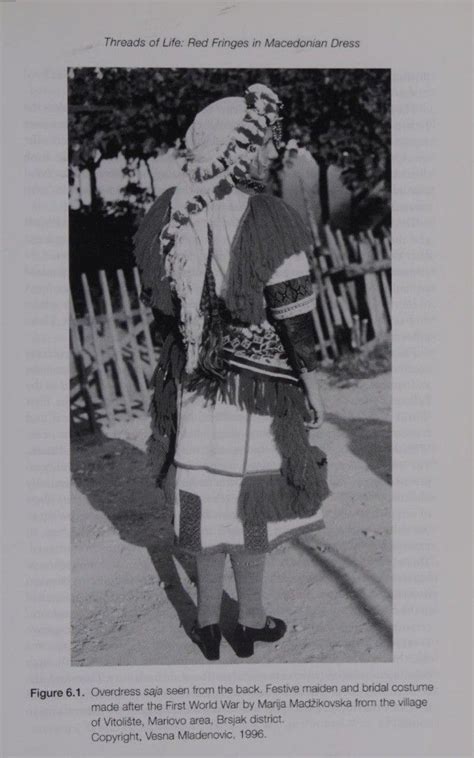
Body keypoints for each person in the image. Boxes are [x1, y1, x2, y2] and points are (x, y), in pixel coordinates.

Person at [134, 83, 329, 661]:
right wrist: (311, 384)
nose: (271, 154)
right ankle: (249, 619)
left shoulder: (167, 212)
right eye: (265, 143)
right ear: (237, 149)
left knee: (203, 491)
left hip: (193, 384)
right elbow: (294, 315)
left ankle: (207, 625)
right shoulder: (269, 217)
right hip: (256, 388)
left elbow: (161, 302)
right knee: (249, 500)